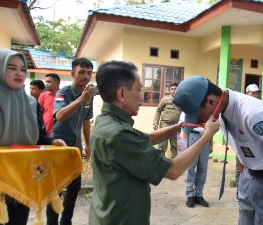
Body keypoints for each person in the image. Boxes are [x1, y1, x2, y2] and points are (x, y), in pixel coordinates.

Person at [89, 61, 219, 224]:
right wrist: (207, 135)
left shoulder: (107, 122)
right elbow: (173, 170)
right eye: (138, 90)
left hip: (105, 213)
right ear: (121, 94)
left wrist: (178, 126)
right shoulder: (119, 135)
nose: (141, 97)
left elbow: (146, 138)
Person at [173, 76, 263, 225]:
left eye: (198, 114)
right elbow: (241, 145)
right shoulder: (220, 111)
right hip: (248, 178)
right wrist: (245, 175)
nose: (199, 120)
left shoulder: (254, 114)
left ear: (211, 101)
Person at [0, 49, 65, 225]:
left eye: (22, 69)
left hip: (20, 180)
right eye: (11, 68)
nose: (19, 73)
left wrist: (51, 141)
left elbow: (39, 136)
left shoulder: (31, 103)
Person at [46, 57, 95, 225]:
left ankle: (66, 221)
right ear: (73, 73)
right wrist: (81, 98)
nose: (86, 77)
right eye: (81, 72)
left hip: (75, 146)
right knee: (56, 188)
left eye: (89, 73)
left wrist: (88, 144)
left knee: (75, 186)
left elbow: (86, 120)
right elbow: (59, 116)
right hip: (59, 144)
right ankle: (51, 222)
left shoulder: (90, 95)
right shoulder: (63, 93)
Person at [179, 113, 212, 208]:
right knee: (191, 166)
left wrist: (211, 143)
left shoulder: (208, 107)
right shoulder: (191, 107)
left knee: (203, 167)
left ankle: (199, 195)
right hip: (192, 135)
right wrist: (184, 141)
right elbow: (183, 122)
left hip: (206, 136)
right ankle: (190, 195)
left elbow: (212, 124)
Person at [153, 83, 182, 158]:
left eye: (175, 89)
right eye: (172, 89)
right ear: (170, 90)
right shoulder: (165, 99)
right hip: (165, 124)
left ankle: (173, 163)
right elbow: (158, 110)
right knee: (162, 145)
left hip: (175, 126)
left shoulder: (181, 100)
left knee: (175, 146)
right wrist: (155, 123)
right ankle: (161, 164)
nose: (174, 91)